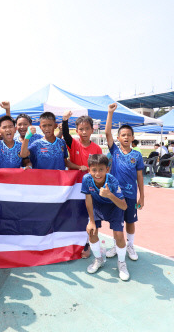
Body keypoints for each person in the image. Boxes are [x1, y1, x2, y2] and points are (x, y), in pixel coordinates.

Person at [105, 103, 145, 262]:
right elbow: (107, 131)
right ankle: (116, 245)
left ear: (133, 137)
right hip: (116, 195)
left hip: (131, 195)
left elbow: (140, 177)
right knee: (116, 222)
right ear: (118, 138)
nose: (126, 137)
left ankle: (130, 245)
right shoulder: (114, 151)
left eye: (129, 135)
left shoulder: (137, 155)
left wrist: (142, 197)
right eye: (123, 135)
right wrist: (110, 113)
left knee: (130, 221)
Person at [61, 110, 102, 258]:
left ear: (92, 129)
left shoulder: (97, 148)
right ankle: (74, 242)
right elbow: (65, 134)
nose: (84, 132)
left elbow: (99, 169)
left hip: (91, 189)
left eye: (87, 129)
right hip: (74, 186)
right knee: (75, 215)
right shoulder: (74, 144)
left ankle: (86, 244)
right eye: (81, 129)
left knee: (89, 216)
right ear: (77, 130)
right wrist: (65, 121)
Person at [82, 154, 130, 281]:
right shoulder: (86, 179)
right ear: (89, 170)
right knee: (92, 232)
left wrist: (109, 195)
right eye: (94, 170)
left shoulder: (112, 181)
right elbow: (88, 200)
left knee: (119, 235)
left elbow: (124, 206)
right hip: (97, 207)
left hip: (114, 206)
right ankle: (99, 259)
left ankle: (121, 263)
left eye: (101, 169)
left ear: (107, 170)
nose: (97, 173)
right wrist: (91, 221)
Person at [0, 99, 29, 169]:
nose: (8, 129)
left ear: (15, 129)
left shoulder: (21, 146)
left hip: (16, 179)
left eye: (10, 127)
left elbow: (27, 161)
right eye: (4, 127)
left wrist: (28, 166)